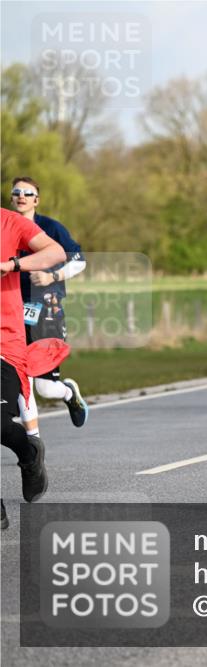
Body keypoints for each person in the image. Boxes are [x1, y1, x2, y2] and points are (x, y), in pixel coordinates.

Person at [9, 177, 89, 442]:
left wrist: (51, 276)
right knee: (22, 381)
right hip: (12, 312)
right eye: (17, 192)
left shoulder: (51, 228)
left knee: (45, 388)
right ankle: (34, 443)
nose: (21, 196)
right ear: (11, 198)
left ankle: (67, 392)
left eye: (27, 193)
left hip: (47, 312)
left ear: (37, 199)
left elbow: (79, 261)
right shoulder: (6, 227)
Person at [1, 208, 66, 529]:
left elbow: (56, 252)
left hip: (4, 343)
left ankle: (28, 454)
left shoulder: (9, 222)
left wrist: (13, 265)